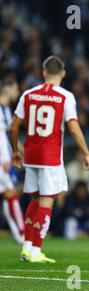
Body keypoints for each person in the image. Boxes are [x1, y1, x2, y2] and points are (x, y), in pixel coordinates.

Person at [10, 55, 89, 263]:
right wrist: (85, 152)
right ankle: (36, 250)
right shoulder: (65, 96)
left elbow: (13, 126)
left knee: (35, 199)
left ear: (43, 73)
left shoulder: (28, 94)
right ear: (63, 74)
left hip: (31, 155)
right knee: (47, 200)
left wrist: (15, 150)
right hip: (50, 156)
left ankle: (27, 247)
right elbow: (73, 127)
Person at [0, 78, 25, 244]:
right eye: (15, 88)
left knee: (8, 194)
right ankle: (22, 234)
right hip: (2, 160)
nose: (17, 92)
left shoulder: (6, 110)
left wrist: (21, 150)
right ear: (7, 89)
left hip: (6, 158)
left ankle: (19, 234)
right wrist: (4, 157)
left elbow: (9, 135)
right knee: (11, 193)